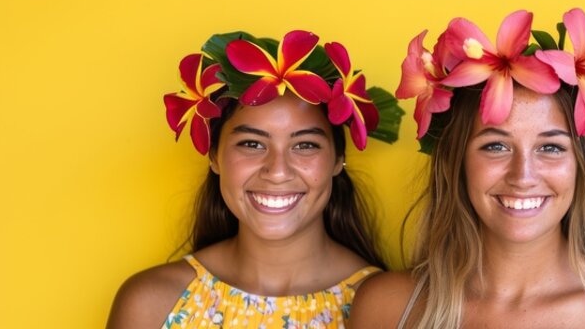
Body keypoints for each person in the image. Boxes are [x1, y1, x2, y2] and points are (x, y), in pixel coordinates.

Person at [350, 9, 585, 329]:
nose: (523, 176)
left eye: (550, 148)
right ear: (456, 162)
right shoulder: (386, 308)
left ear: (581, 166)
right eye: (496, 146)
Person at [107, 30, 403, 328]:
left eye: (305, 145)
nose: (277, 171)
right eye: (252, 144)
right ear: (214, 156)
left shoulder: (393, 309)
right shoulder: (151, 304)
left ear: (338, 160)